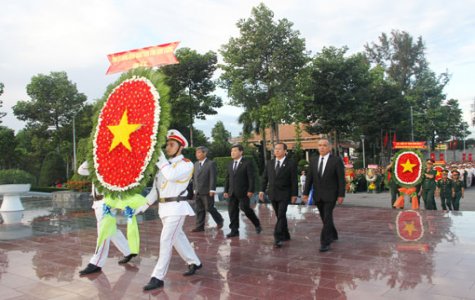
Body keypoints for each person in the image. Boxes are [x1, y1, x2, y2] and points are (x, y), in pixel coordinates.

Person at [136, 130, 202, 291]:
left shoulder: (185, 164)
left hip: (177, 209)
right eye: (167, 144)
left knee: (166, 240)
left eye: (172, 144)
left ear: (180, 147)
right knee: (177, 238)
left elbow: (171, 176)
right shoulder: (164, 166)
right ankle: (194, 262)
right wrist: (142, 207)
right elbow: (155, 191)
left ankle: (157, 277)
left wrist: (160, 159)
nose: (168, 147)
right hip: (164, 209)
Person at [77, 161, 136, 276]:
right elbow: (81, 170)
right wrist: (91, 158)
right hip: (98, 203)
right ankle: (129, 251)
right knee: (111, 231)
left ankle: (96, 263)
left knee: (103, 233)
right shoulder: (97, 167)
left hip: (106, 203)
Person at [302, 138, 345, 252]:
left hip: (331, 195)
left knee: (327, 216)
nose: (321, 147)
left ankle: (325, 242)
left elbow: (341, 179)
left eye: (324, 145)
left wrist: (341, 195)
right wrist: (305, 193)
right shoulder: (313, 160)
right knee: (324, 217)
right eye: (319, 145)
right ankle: (333, 233)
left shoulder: (336, 161)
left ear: (329, 148)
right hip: (318, 195)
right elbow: (309, 178)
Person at [259, 143, 298, 248]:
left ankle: (278, 237)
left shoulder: (291, 163)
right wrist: (261, 190)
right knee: (279, 215)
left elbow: (294, 180)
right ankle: (286, 234)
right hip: (273, 193)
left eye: (279, 149)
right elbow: (264, 178)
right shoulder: (270, 163)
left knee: (281, 214)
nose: (276, 151)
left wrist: (294, 194)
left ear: (285, 151)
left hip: (285, 193)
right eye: (275, 149)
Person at [223, 144, 262, 238]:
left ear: (241, 152)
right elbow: (227, 178)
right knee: (232, 211)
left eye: (235, 151)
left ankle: (257, 224)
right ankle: (234, 230)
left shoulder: (247, 163)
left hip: (244, 191)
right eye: (232, 151)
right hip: (232, 192)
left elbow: (251, 178)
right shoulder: (230, 164)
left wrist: (251, 190)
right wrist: (225, 190)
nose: (232, 153)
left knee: (245, 208)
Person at [191, 146, 224, 232]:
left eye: (199, 152)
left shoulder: (211, 163)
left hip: (207, 191)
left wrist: (212, 189)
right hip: (198, 190)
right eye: (196, 153)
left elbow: (213, 177)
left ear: (204, 153)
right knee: (199, 209)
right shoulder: (196, 164)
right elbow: (194, 178)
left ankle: (219, 220)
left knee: (209, 208)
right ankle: (200, 226)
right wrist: (194, 188)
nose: (197, 154)